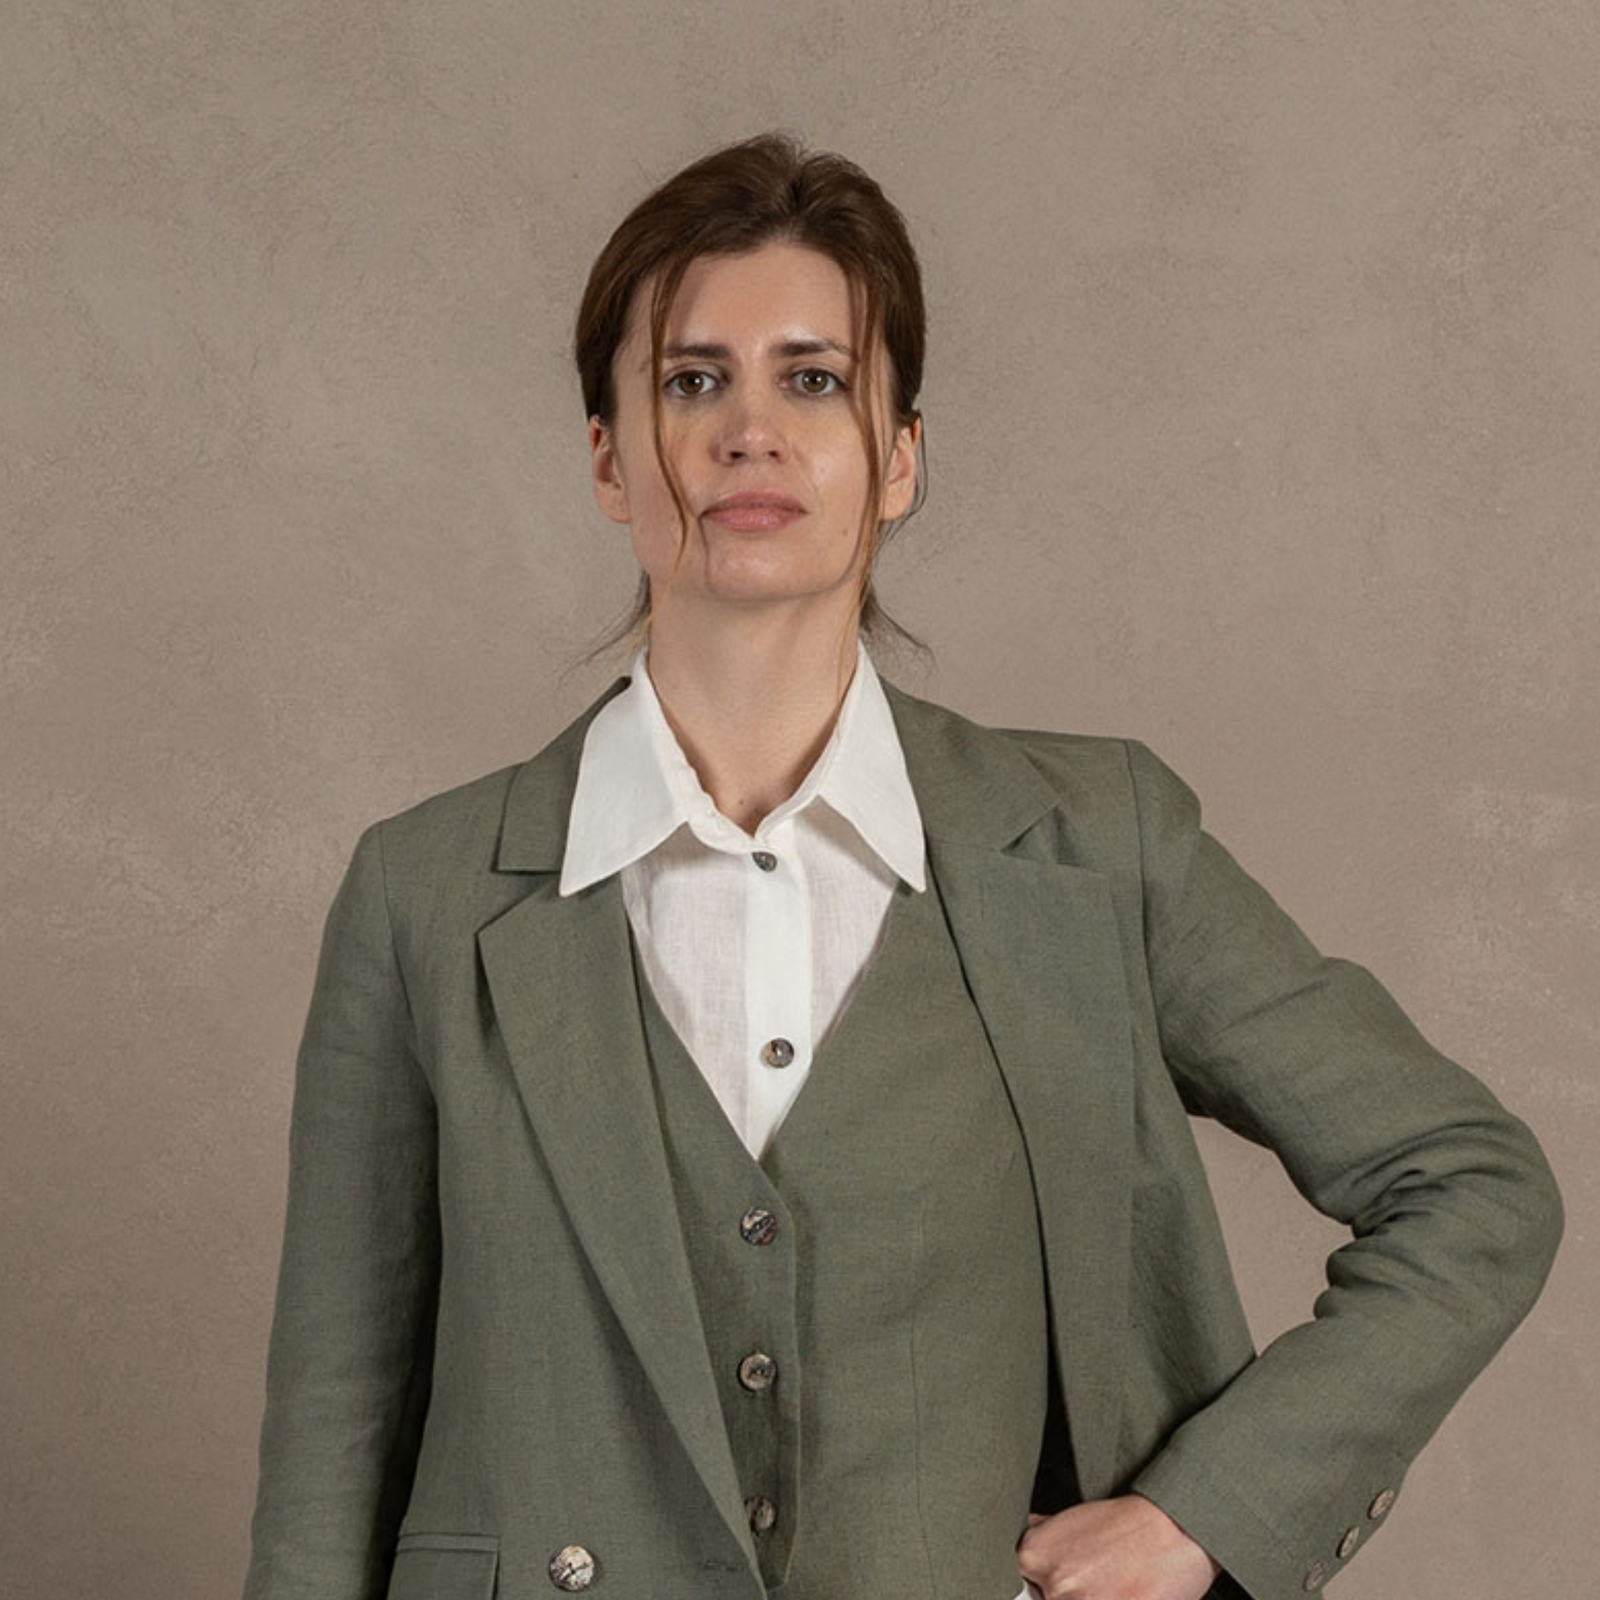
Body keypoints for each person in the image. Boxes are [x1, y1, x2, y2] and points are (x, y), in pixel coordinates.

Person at [239, 131, 1564, 1600]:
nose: (752, 431)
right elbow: (332, 1439)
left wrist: (1205, 1512)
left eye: (814, 380)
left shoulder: (1098, 847)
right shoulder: (422, 897)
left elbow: (1473, 1186)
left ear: (901, 458)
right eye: (693, 381)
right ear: (609, 458)